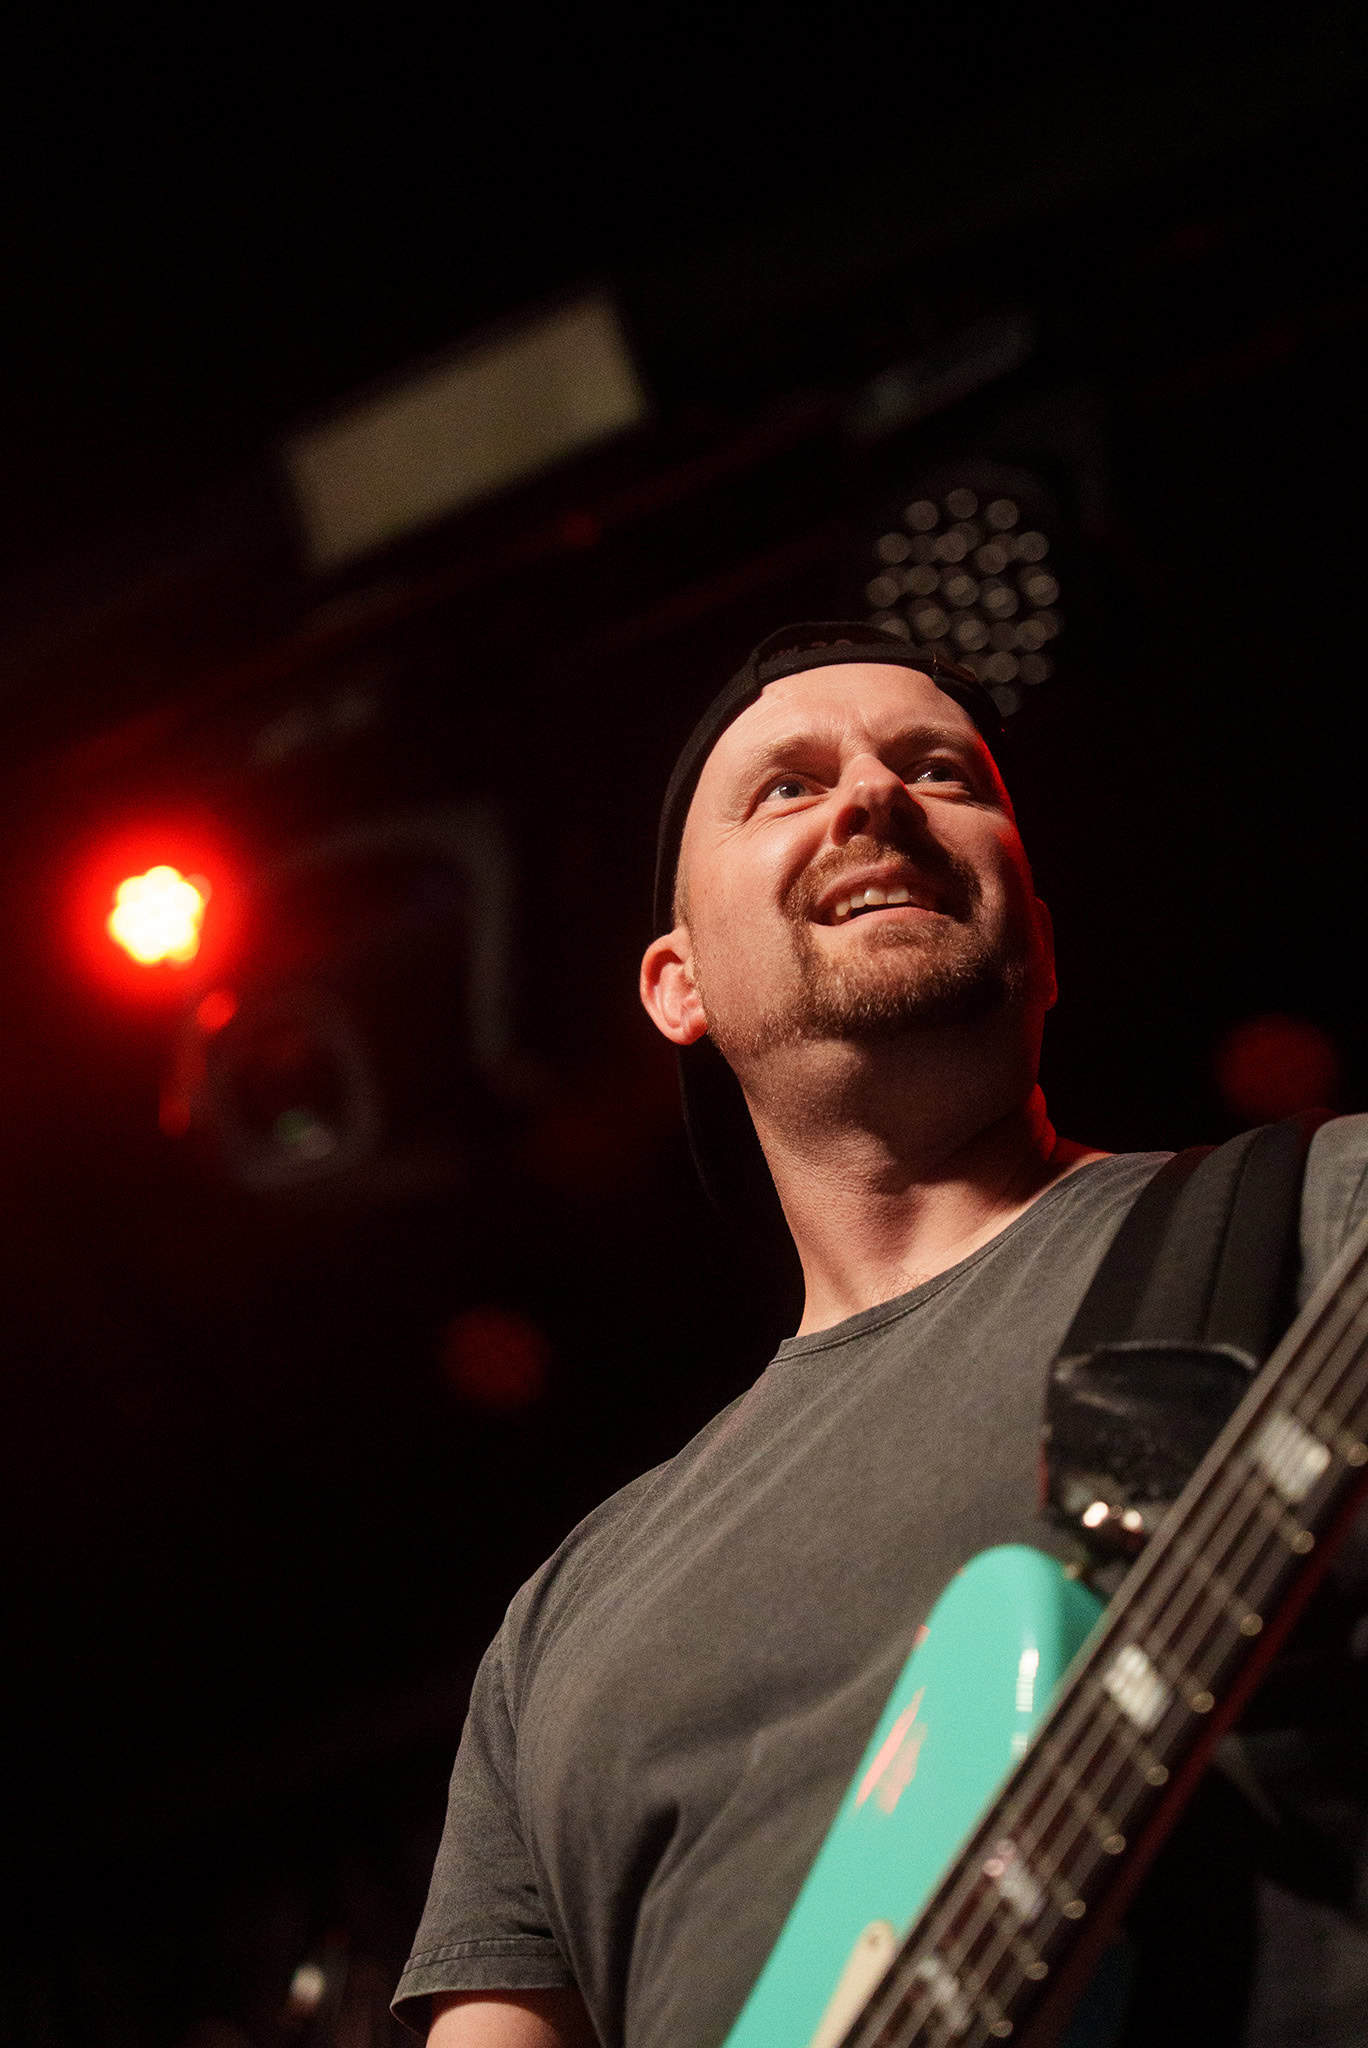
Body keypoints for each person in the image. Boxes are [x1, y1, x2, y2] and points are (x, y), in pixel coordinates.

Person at [393, 623, 1368, 2047]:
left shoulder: (1323, 1216)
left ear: (1042, 939)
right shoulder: (558, 1628)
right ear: (678, 986)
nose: (873, 796)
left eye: (939, 771)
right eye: (787, 786)